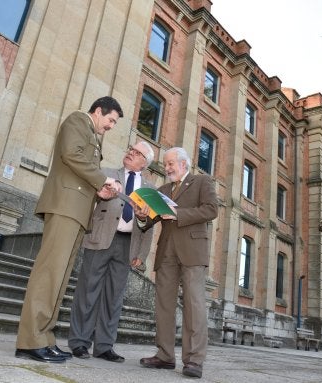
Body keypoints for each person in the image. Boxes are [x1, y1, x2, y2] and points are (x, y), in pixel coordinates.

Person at [15, 96, 124, 363]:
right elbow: (71, 154)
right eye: (110, 120)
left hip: (77, 211)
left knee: (60, 279)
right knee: (48, 275)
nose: (111, 126)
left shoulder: (93, 134)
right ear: (99, 111)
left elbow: (79, 169)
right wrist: (103, 178)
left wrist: (99, 190)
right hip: (65, 206)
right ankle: (30, 340)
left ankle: (44, 338)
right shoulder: (78, 120)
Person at [68, 141, 155, 362]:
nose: (130, 153)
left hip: (128, 245)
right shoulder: (106, 173)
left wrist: (141, 255)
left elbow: (149, 227)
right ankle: (79, 342)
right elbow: (88, 199)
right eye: (130, 150)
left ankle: (104, 346)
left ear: (144, 163)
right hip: (101, 237)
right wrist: (101, 193)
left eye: (136, 153)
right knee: (88, 290)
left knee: (114, 297)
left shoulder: (150, 190)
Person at [137, 147, 218, 379]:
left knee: (194, 305)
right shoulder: (162, 190)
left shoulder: (202, 181)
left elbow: (211, 210)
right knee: (164, 305)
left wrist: (178, 214)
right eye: (166, 163)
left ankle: (194, 360)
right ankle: (164, 356)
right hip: (167, 253)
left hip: (193, 250)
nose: (167, 167)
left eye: (171, 163)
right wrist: (143, 215)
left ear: (183, 164)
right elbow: (149, 221)